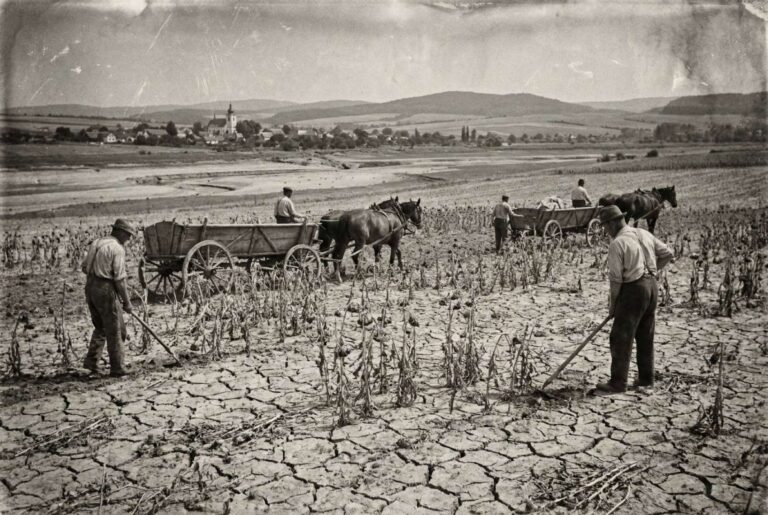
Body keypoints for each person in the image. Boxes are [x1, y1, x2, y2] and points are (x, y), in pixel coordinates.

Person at [596, 205, 674, 394]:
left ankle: (618, 383)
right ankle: (647, 380)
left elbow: (616, 281)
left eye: (606, 226)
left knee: (620, 337)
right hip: (652, 288)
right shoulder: (643, 233)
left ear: (614, 223)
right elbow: (668, 254)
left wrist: (613, 306)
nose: (606, 231)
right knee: (645, 335)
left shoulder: (618, 244)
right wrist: (653, 272)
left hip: (634, 291)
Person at [81, 218, 136, 377]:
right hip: (105, 289)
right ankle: (118, 367)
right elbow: (120, 280)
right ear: (120, 232)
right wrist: (127, 302)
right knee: (115, 329)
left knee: (100, 327)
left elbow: (84, 267)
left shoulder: (96, 243)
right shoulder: (117, 248)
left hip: (90, 287)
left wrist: (98, 274)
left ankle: (91, 363)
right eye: (128, 235)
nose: (129, 239)